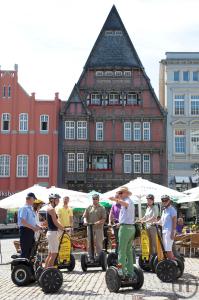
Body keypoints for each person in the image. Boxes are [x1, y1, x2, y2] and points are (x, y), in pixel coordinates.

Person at [109, 186, 136, 281]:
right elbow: (127, 216)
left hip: (125, 229)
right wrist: (119, 224)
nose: (119, 194)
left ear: (126, 193)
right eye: (119, 193)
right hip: (130, 227)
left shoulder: (127, 201)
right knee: (128, 251)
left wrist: (115, 199)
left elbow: (124, 204)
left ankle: (121, 273)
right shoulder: (129, 202)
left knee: (121, 251)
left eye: (121, 193)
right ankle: (131, 272)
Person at [83, 194, 106, 260]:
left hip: (98, 228)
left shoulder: (102, 208)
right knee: (90, 242)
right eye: (93, 199)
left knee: (98, 243)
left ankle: (99, 257)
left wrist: (97, 223)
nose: (94, 200)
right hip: (90, 228)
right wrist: (85, 221)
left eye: (96, 199)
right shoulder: (89, 207)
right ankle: (90, 256)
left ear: (98, 200)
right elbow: (85, 216)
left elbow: (103, 219)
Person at [44, 193, 65, 268]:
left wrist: (62, 227)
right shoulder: (52, 209)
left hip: (50, 233)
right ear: (52, 200)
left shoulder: (49, 208)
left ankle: (45, 271)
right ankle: (49, 272)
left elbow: (56, 221)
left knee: (50, 254)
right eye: (57, 199)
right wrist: (63, 229)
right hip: (53, 233)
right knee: (54, 254)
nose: (59, 201)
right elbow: (55, 222)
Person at [18, 192, 40, 259]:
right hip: (25, 231)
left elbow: (31, 221)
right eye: (34, 199)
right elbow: (23, 222)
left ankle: (28, 268)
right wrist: (33, 228)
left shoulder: (30, 209)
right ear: (30, 199)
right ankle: (23, 268)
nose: (34, 201)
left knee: (31, 251)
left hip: (30, 231)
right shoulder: (24, 208)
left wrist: (37, 226)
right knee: (25, 251)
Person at [156, 195, 177, 260]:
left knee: (168, 249)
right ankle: (170, 262)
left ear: (169, 201)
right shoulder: (164, 210)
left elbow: (174, 221)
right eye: (163, 200)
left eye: (166, 200)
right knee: (166, 249)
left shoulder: (172, 209)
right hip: (164, 231)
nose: (164, 201)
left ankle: (174, 264)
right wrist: (154, 223)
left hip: (169, 231)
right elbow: (161, 221)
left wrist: (173, 232)